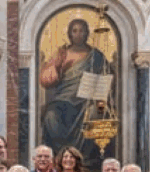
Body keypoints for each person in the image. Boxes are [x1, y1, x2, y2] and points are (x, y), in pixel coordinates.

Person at [39, 19, 109, 163]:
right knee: (50, 115)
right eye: (75, 31)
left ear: (87, 33)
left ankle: (87, 159)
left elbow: (107, 77)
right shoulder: (62, 53)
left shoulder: (96, 56)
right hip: (64, 100)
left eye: (81, 31)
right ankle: (59, 157)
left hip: (87, 100)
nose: (78, 34)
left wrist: (99, 96)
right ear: (70, 34)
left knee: (94, 115)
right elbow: (46, 80)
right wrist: (57, 65)